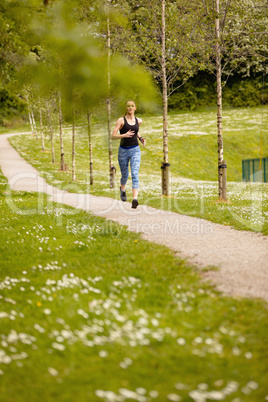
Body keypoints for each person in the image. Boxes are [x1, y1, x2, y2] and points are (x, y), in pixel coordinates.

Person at [111, 100, 146, 209]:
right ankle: (122, 190)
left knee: (135, 174)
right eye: (128, 106)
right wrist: (124, 135)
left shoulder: (138, 121)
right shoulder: (121, 121)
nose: (130, 108)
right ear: (126, 108)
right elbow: (113, 135)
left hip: (135, 150)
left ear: (135, 108)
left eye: (132, 106)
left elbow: (135, 131)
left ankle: (135, 199)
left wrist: (140, 138)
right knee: (125, 175)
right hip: (123, 151)